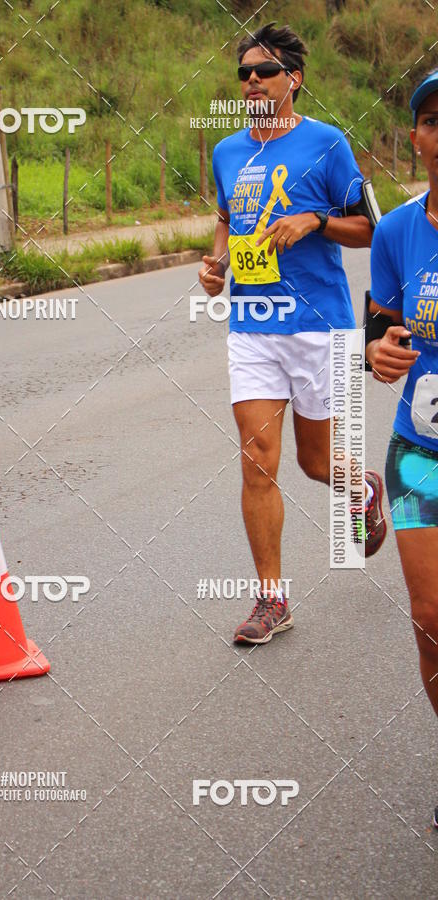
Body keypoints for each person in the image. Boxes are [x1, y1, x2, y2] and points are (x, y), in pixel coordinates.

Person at [199, 22, 384, 645]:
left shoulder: (328, 145)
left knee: (313, 463)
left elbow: (370, 231)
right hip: (252, 329)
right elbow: (226, 216)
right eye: (245, 73)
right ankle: (272, 600)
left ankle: (360, 487)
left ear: (293, 80)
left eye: (265, 71)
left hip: (319, 327)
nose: (252, 80)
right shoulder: (227, 152)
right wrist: (216, 262)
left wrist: (315, 220)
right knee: (258, 464)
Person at [365, 68, 438, 829]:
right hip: (423, 454)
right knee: (430, 618)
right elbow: (378, 329)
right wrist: (378, 355)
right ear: (416, 138)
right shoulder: (397, 231)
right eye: (435, 120)